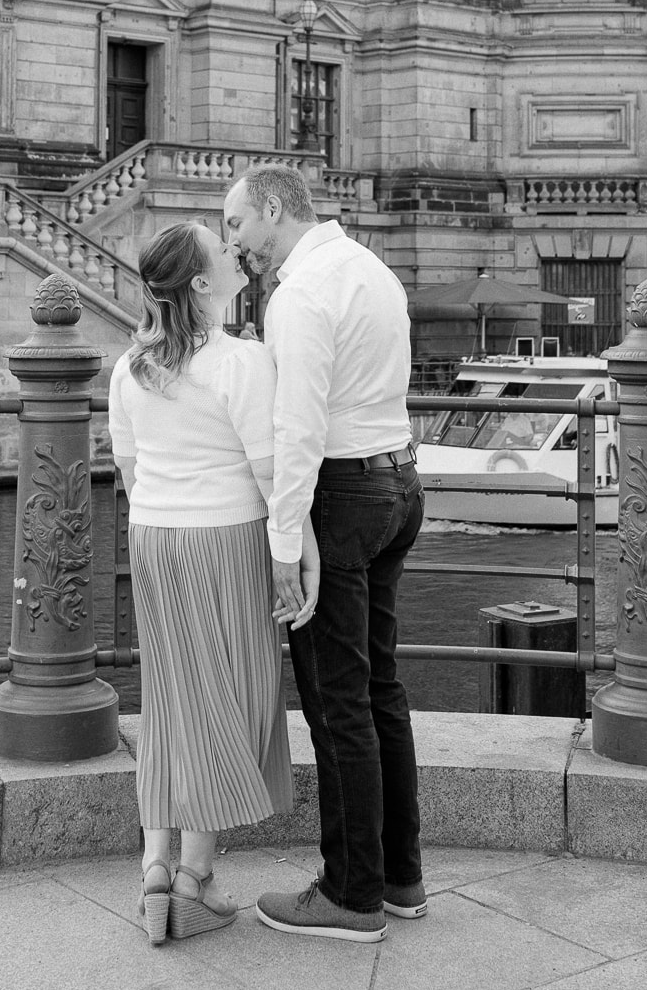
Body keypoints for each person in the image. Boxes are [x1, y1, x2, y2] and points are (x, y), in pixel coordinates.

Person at [222, 166, 426, 943]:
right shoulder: (372, 269)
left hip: (340, 500)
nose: (233, 242)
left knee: (338, 702)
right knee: (381, 690)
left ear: (274, 210)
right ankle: (400, 876)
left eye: (237, 224)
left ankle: (350, 893)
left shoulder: (300, 294)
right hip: (397, 483)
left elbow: (296, 429)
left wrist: (283, 546)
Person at [108, 221, 315, 945]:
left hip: (155, 538)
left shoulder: (129, 366)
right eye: (219, 250)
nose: (234, 253)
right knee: (229, 697)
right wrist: (299, 549)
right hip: (226, 538)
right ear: (201, 283)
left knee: (171, 698)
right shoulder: (241, 361)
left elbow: (130, 473)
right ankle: (194, 877)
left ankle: (154, 864)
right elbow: (269, 471)